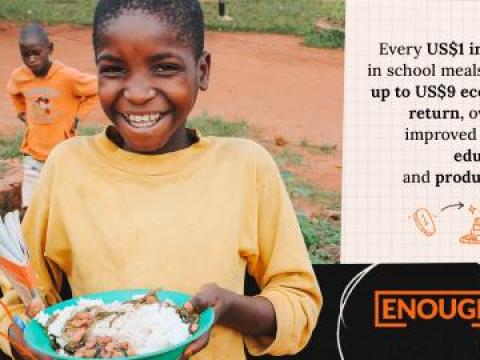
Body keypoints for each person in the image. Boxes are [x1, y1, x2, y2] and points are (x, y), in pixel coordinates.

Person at [0, 1, 322, 359]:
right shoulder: (68, 167)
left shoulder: (246, 167)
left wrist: (231, 306)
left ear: (202, 70)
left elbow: (299, 299)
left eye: (165, 68)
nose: (138, 93)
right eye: (114, 69)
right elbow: (22, 294)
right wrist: (22, 339)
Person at [6, 23, 98, 209]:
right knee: (30, 208)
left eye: (36, 52)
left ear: (50, 49)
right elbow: (13, 91)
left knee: (63, 205)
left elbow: (96, 88)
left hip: (62, 155)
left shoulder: (67, 76)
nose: (31, 59)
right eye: (25, 54)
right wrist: (21, 112)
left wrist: (78, 116)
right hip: (33, 157)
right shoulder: (20, 76)